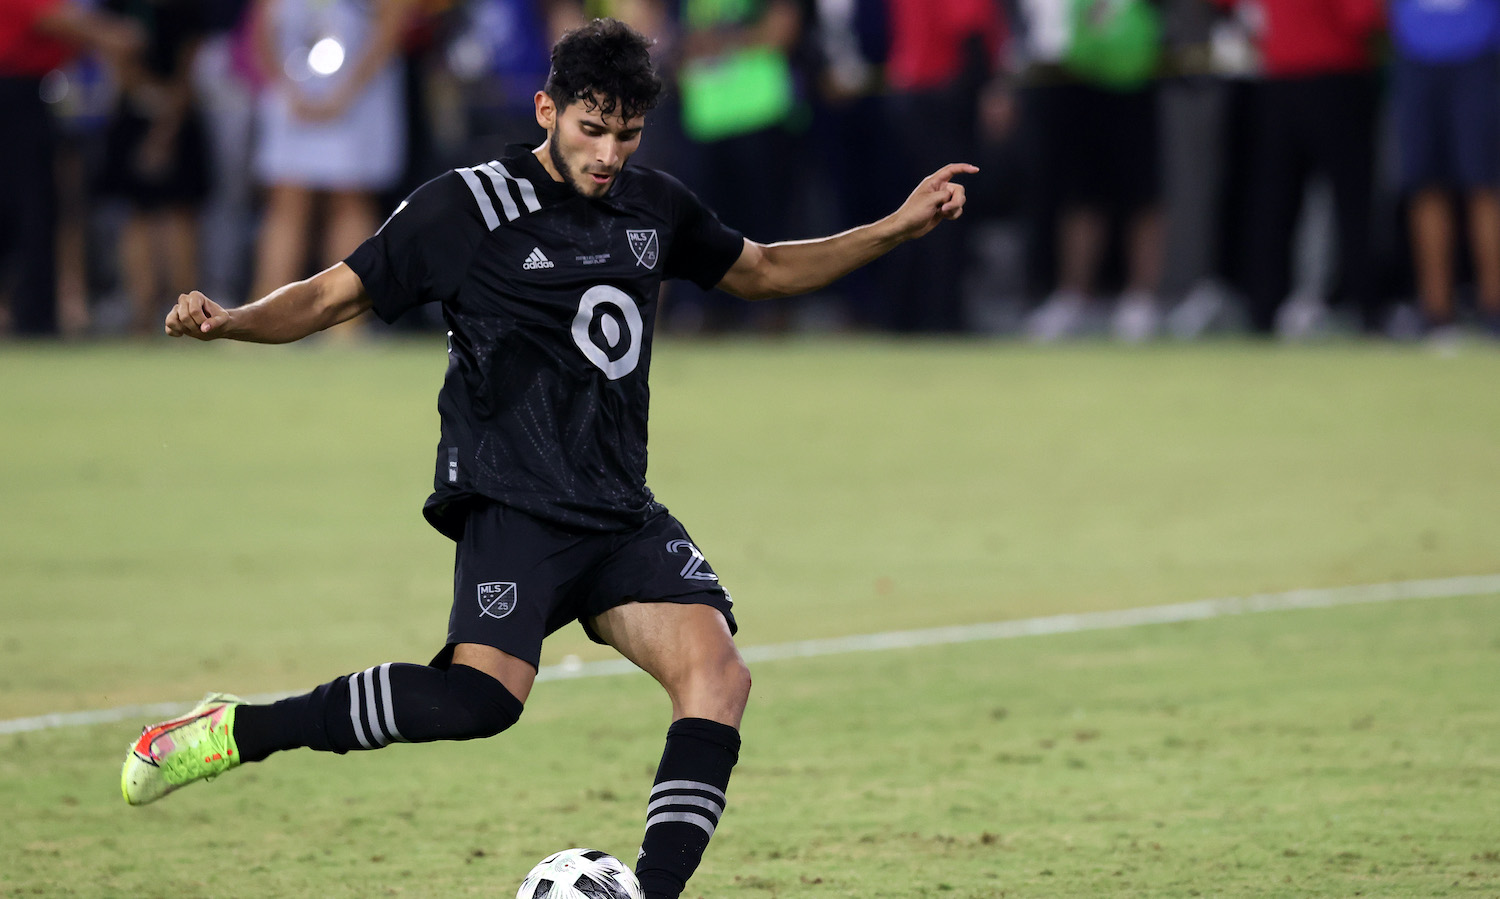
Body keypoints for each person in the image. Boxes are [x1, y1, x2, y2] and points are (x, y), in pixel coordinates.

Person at [122, 18, 973, 899]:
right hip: (514, 501)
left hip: (616, 506)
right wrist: (231, 320)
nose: (608, 153)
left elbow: (760, 269)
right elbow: (331, 294)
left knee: (718, 675)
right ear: (547, 109)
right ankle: (234, 729)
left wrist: (894, 228)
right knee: (478, 704)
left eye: (627, 134)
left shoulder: (653, 205)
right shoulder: (467, 206)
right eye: (590, 130)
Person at [246, 0, 412, 334]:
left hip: (360, 95)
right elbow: (261, 29)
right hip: (295, 95)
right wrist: (287, 89)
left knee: (348, 199)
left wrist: (347, 91)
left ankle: (345, 325)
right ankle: (264, 315)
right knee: (288, 201)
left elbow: (391, 27)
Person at [0, 0, 142, 336]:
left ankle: (34, 313)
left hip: (29, 93)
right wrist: (110, 35)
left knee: (38, 208)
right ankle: (31, 317)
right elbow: (50, 19)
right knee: (27, 208)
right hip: (12, 95)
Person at [1389, 0, 1500, 338]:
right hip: (1415, 54)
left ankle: (1493, 307)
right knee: (1424, 182)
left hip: (1479, 54)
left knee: (1485, 182)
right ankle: (1436, 311)